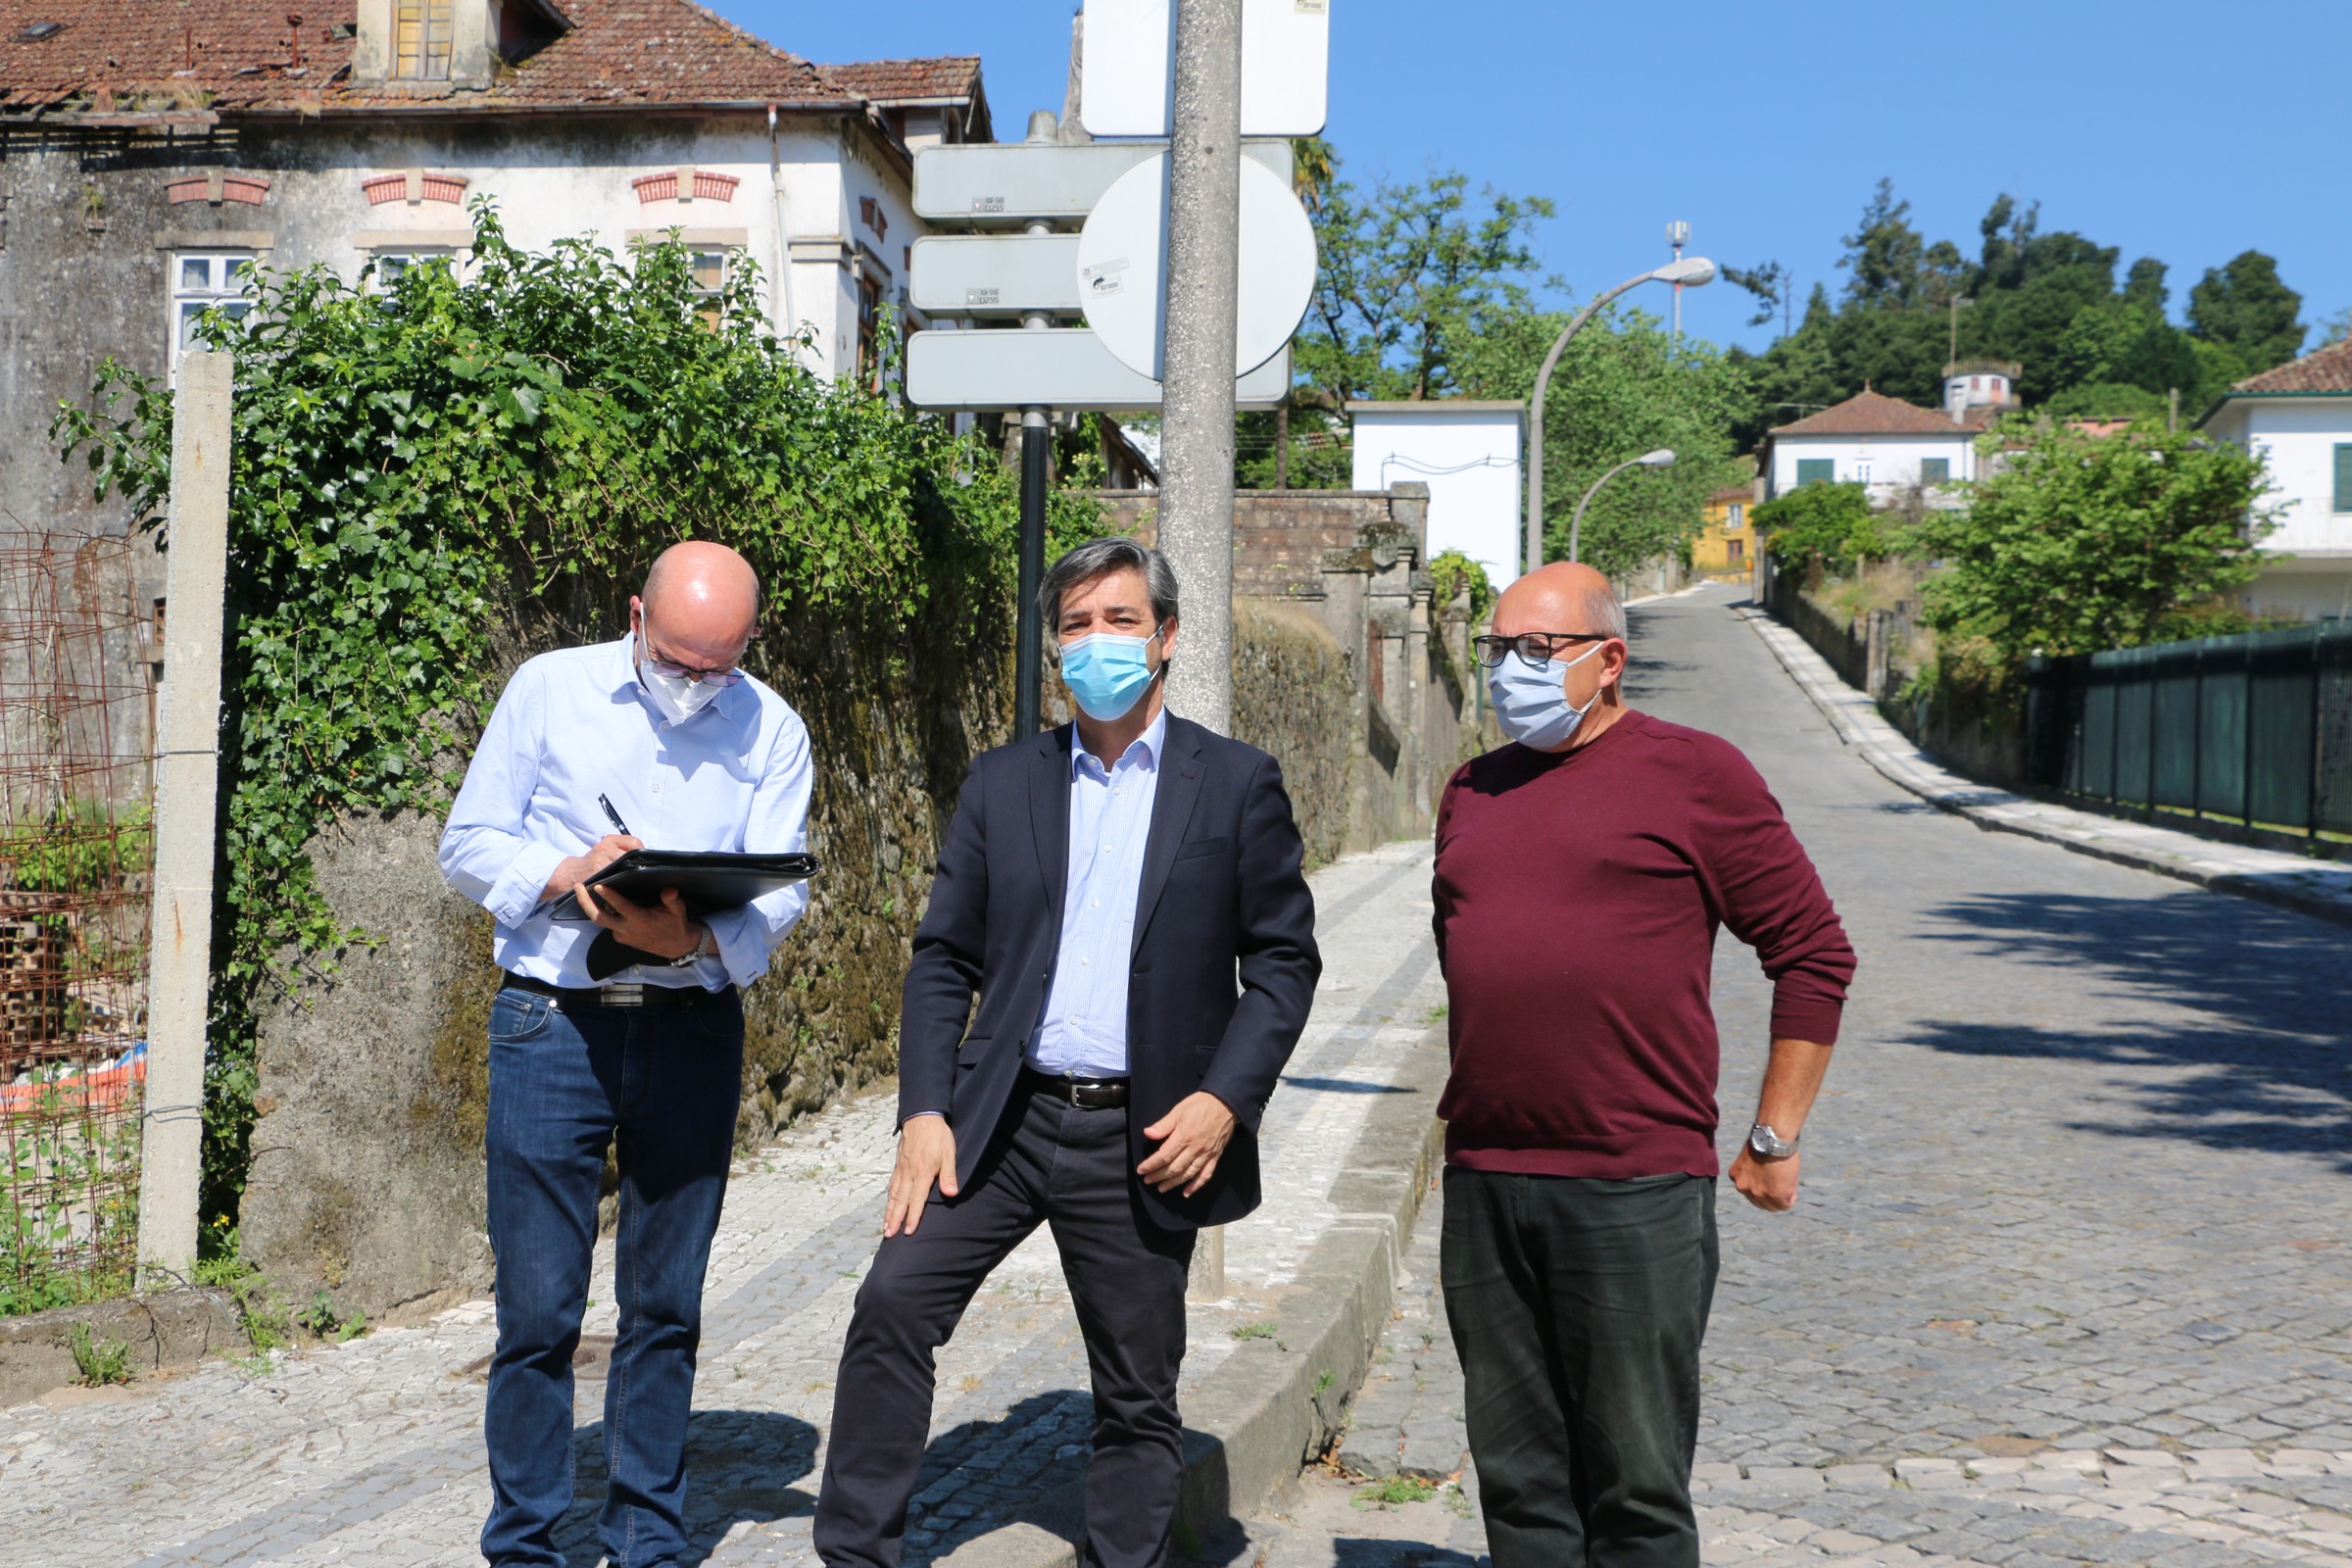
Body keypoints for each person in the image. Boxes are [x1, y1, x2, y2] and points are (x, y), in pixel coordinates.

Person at [811, 537, 1321, 1568]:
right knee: (892, 1304)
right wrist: (924, 1110)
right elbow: (943, 957)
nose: (1097, 643)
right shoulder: (1005, 782)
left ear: (1165, 637)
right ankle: (855, 1554)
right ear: (1055, 648)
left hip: (1147, 1134)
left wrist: (1226, 1101)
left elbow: (1283, 962)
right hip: (1000, 1119)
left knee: (1136, 1389)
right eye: (1076, 625)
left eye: (1120, 620)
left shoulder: (1233, 784)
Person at [1432, 562, 1856, 1568]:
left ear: (1610, 659)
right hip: (1486, 1177)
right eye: (1497, 648)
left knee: (1634, 1485)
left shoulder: (1696, 773)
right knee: (1519, 1481)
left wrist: (1774, 1137)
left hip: (1633, 1184)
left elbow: (1813, 953)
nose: (1508, 668)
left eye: (1537, 649)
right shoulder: (1471, 789)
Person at [437, 540, 813, 1568]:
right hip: (552, 1021)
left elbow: (783, 891)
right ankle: (524, 1544)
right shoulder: (548, 689)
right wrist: (568, 869)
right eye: (679, 659)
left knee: (666, 1303)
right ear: (636, 616)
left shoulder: (774, 726)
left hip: (692, 1024)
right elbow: (467, 843)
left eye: (719, 667)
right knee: (537, 1308)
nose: (696, 683)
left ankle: (649, 1536)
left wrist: (692, 939)